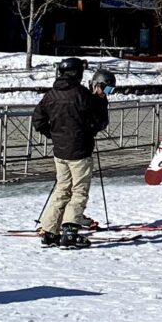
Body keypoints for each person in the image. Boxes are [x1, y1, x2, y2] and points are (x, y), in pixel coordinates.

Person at [32, 56, 110, 248]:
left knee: (62, 190)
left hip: (60, 152)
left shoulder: (50, 95)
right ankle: (70, 231)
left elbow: (38, 121)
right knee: (79, 192)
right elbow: (100, 122)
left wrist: (54, 135)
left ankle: (49, 231)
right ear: (78, 73)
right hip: (80, 152)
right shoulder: (82, 95)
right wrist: (101, 100)